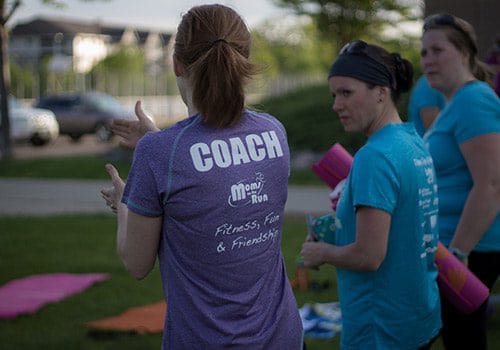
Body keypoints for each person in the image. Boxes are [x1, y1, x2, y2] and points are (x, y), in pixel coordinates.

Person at [100, 4, 303, 349]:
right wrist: (155, 139)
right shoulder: (274, 132)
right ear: (245, 59)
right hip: (284, 337)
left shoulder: (160, 153)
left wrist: (125, 205)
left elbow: (136, 263)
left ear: (177, 63)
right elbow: (212, 168)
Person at [300, 40, 442, 349]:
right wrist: (338, 229)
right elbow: (402, 225)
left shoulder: (374, 156)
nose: (336, 105)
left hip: (381, 330)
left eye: (346, 93)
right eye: (334, 94)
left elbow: (369, 256)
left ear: (381, 92)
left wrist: (320, 253)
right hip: (419, 317)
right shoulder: (413, 141)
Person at [420, 13, 500, 350]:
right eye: (423, 53)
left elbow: (492, 182)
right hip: (453, 248)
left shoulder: (473, 100)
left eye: (437, 50)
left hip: (472, 249)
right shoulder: (454, 103)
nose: (428, 60)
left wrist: (459, 251)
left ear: (465, 54)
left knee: (465, 340)